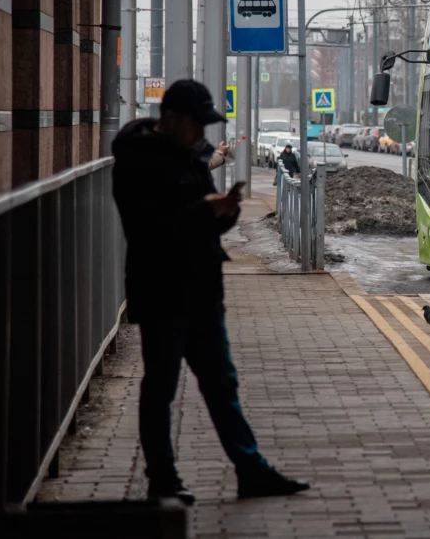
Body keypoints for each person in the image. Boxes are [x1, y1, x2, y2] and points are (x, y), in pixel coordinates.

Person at [111, 79, 310, 505]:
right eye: (196, 125)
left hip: (201, 289)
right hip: (162, 290)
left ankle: (251, 470)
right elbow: (148, 230)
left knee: (222, 384)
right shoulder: (138, 161)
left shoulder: (190, 156)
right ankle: (162, 480)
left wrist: (225, 211)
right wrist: (207, 209)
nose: (202, 134)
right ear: (171, 119)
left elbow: (204, 221)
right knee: (160, 388)